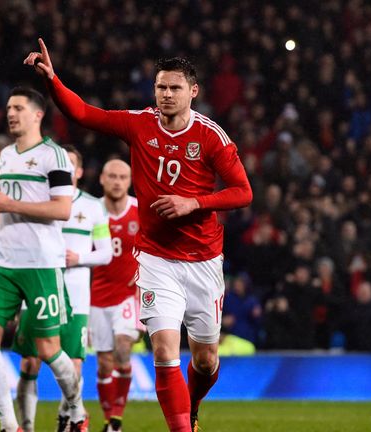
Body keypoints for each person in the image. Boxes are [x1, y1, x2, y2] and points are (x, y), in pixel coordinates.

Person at [25, 38, 253, 432]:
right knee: (165, 352)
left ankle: (193, 405)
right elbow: (83, 113)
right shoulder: (139, 123)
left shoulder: (211, 136)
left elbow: (243, 192)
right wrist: (53, 80)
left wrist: (194, 203)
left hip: (203, 260)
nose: (166, 94)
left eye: (175, 87)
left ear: (193, 92)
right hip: (156, 259)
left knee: (205, 361)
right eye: (161, 87)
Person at [0, 87, 84, 432]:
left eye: (19, 107)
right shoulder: (6, 155)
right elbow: (13, 205)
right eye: (8, 107)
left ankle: (77, 409)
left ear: (38, 115)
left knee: (49, 349)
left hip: (41, 264)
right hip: (3, 262)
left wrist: (8, 207)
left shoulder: (55, 156)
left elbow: (62, 209)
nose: (11, 113)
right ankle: (10, 426)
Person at [12, 145, 113, 432]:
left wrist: (78, 258)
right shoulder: (38, 203)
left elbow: (106, 253)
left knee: (75, 365)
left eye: (71, 164)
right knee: (29, 363)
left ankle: (66, 418)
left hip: (77, 295)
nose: (66, 169)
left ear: (79, 171)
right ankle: (27, 426)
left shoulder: (94, 206)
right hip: (37, 289)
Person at [88, 159, 143, 432]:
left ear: (129, 181)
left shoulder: (140, 211)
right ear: (102, 179)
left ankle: (117, 418)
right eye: (112, 176)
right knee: (103, 365)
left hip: (130, 296)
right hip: (97, 296)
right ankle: (111, 422)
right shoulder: (90, 212)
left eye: (123, 177)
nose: (117, 181)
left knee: (123, 349)